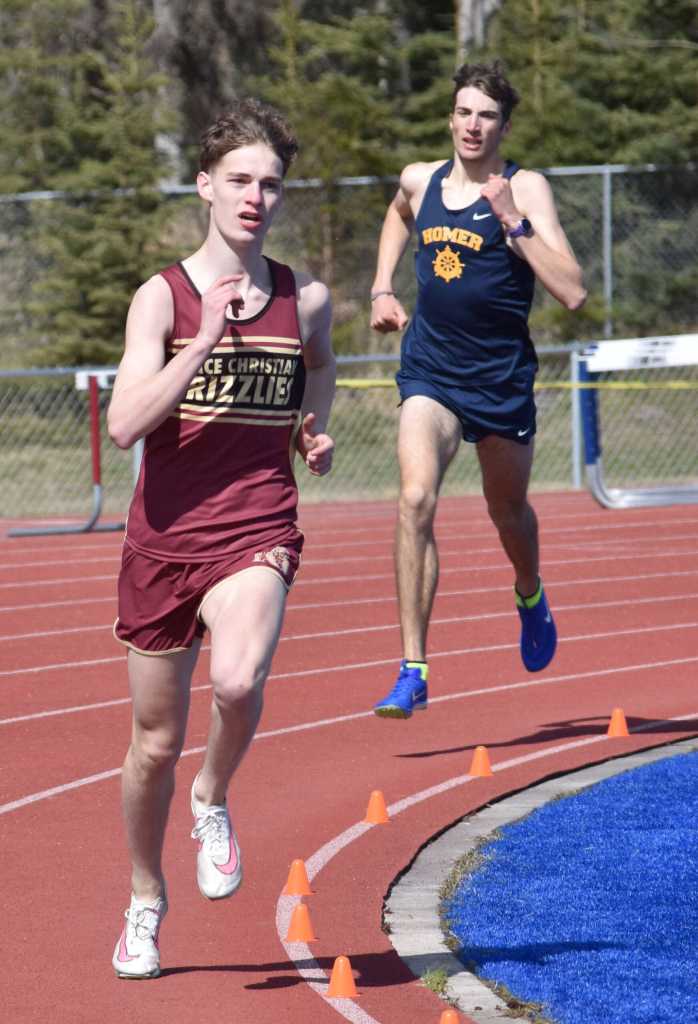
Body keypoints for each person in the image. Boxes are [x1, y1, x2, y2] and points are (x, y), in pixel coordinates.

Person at [107, 98, 336, 978]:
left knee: (238, 679)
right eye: (238, 179)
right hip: (163, 542)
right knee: (151, 746)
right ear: (206, 186)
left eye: (270, 183)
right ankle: (142, 899)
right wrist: (201, 338)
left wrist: (312, 429)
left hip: (257, 523)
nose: (254, 196)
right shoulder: (160, 298)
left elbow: (319, 368)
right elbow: (127, 423)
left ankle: (213, 796)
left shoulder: (303, 296)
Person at [370, 60, 586, 719]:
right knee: (414, 497)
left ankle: (529, 591)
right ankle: (413, 669)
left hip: (500, 381)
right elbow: (398, 212)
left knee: (507, 512)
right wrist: (382, 285)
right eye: (464, 112)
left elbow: (573, 291)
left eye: (486, 115)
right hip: (431, 372)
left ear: (503, 126)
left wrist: (514, 223)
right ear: (450, 119)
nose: (473, 124)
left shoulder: (528, 189)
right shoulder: (420, 179)